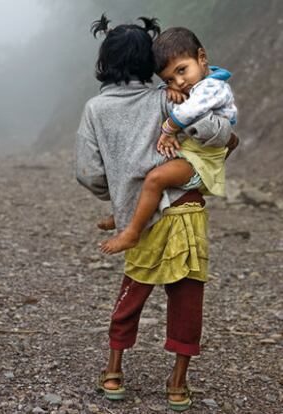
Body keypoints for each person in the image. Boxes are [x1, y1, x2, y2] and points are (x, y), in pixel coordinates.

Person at [76, 14, 238, 411]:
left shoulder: (96, 109)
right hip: (186, 208)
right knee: (187, 295)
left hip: (140, 218)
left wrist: (116, 196)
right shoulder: (170, 96)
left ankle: (113, 372)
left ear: (105, 61)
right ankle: (178, 385)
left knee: (133, 291)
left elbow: (88, 173)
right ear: (149, 61)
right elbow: (223, 133)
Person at [99, 26, 238, 254]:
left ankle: (132, 232)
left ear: (202, 57)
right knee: (146, 164)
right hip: (193, 151)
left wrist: (168, 129)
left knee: (155, 178)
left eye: (182, 71)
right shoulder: (196, 84)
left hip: (201, 158)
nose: (180, 82)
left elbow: (188, 111)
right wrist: (168, 89)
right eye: (170, 79)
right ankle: (125, 213)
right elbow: (182, 95)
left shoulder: (213, 87)